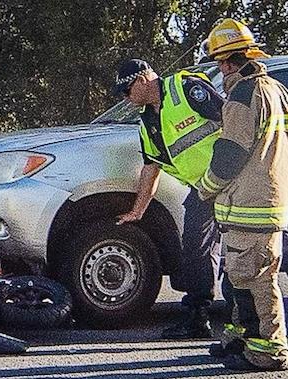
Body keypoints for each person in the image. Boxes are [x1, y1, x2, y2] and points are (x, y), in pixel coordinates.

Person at [197, 18, 288, 371]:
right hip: (267, 201)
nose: (220, 70)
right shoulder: (275, 90)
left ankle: (267, 351)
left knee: (256, 281)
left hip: (250, 205)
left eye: (220, 63)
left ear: (227, 61)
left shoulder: (242, 96)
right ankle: (243, 341)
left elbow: (231, 152)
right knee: (244, 278)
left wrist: (206, 186)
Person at [114, 59, 224, 339]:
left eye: (126, 91)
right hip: (203, 190)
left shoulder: (185, 88)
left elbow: (233, 120)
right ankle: (198, 318)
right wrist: (138, 211)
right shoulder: (147, 123)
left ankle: (248, 321)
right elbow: (152, 167)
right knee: (195, 251)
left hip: (233, 181)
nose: (126, 99)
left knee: (243, 251)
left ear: (141, 80)